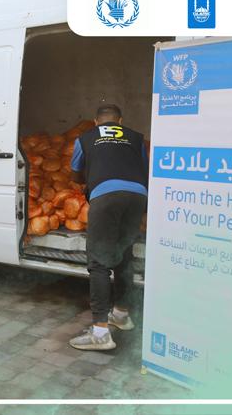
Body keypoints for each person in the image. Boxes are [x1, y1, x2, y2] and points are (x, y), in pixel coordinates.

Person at [68, 104, 148, 351]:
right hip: (138, 196)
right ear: (120, 121)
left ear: (96, 122)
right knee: (123, 254)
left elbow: (75, 174)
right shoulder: (136, 137)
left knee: (99, 262)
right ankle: (121, 315)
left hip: (106, 196)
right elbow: (143, 169)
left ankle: (101, 333)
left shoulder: (85, 138)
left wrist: (90, 177)